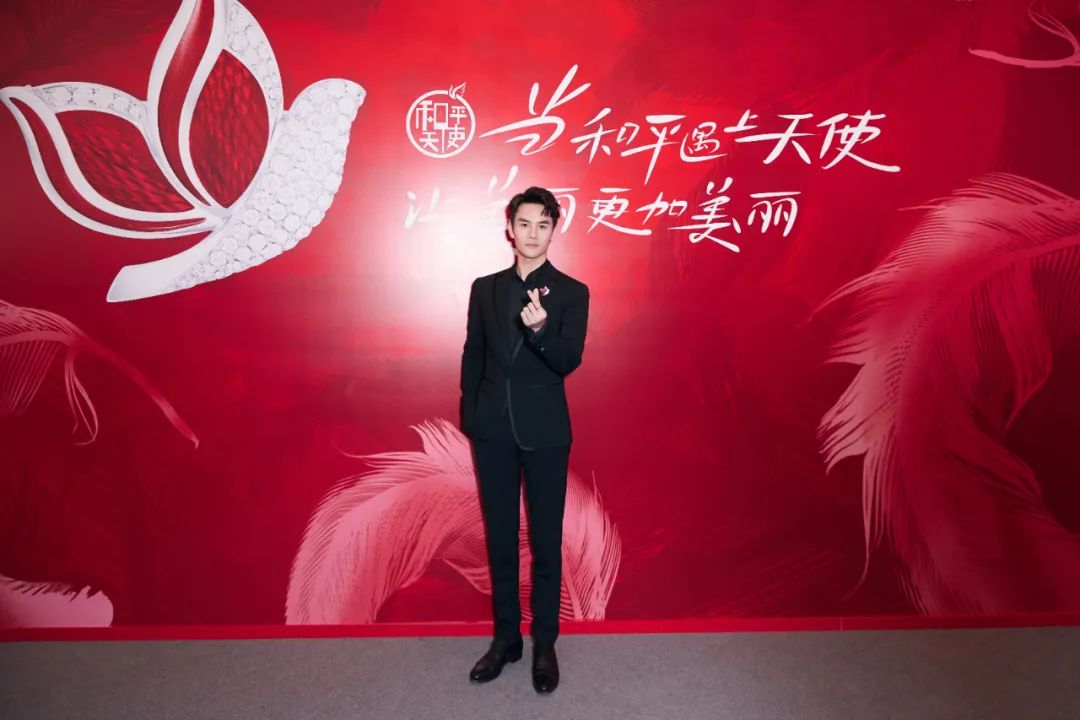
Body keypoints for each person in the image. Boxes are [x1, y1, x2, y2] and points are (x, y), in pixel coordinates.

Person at [459, 186, 590, 695]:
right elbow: (473, 355)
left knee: (546, 542)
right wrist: (473, 417)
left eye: (543, 225)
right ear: (510, 229)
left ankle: (544, 645)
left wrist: (540, 332)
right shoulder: (485, 288)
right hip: (492, 431)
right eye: (525, 224)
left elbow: (567, 360)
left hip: (546, 433)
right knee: (500, 538)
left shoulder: (573, 292)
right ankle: (506, 639)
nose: (533, 233)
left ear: (554, 230)